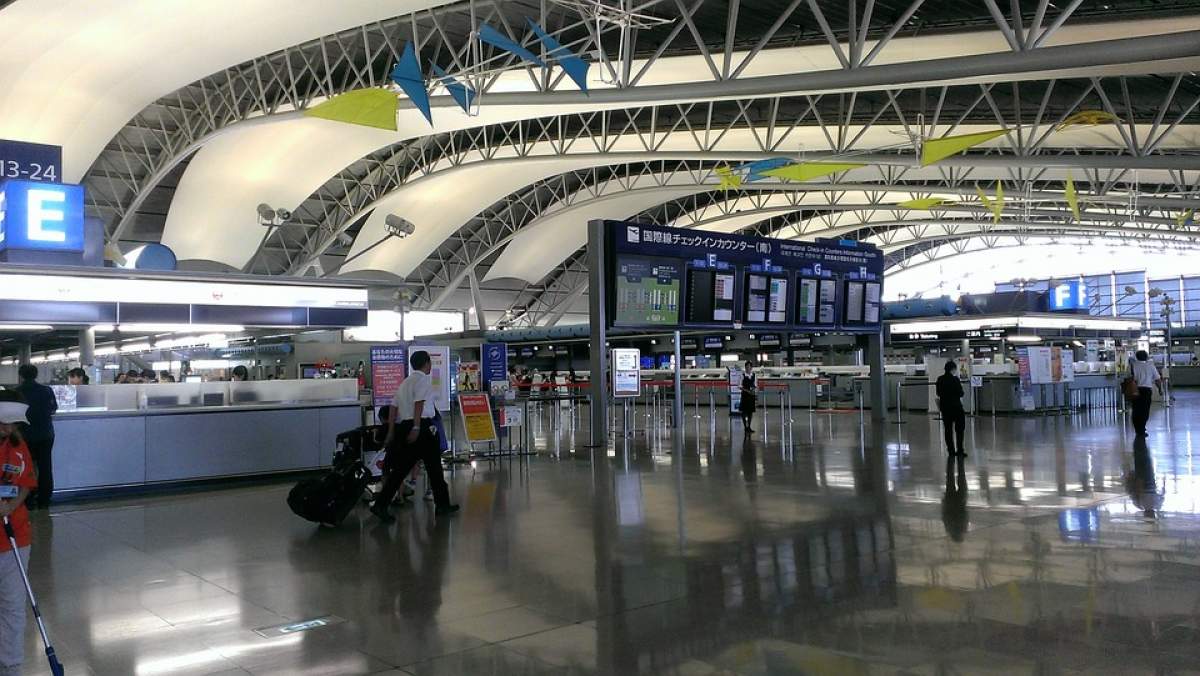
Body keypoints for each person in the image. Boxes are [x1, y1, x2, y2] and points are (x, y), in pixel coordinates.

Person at [370, 351, 458, 521]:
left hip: (404, 427)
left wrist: (390, 431)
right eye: (430, 362)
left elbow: (394, 405)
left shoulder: (406, 382)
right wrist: (417, 427)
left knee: (400, 470)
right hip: (421, 428)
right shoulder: (423, 380)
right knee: (434, 469)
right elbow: (419, 403)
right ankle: (442, 505)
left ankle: (381, 504)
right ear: (427, 363)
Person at [0, 399, 37, 676]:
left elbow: (26, 483)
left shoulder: (17, 446)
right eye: (5, 423)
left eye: (12, 424)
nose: (9, 428)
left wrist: (12, 505)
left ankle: (11, 664)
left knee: (12, 604)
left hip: (15, 537)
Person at [15, 366, 56, 510]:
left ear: (20, 375)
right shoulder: (46, 390)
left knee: (26, 467)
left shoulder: (17, 392)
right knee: (45, 466)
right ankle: (44, 499)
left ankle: (28, 499)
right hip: (46, 434)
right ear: (36, 374)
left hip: (25, 435)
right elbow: (53, 409)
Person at [936, 361, 966, 457]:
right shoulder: (955, 379)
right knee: (959, 430)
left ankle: (951, 451)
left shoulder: (940, 379)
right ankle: (960, 450)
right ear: (952, 369)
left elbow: (938, 393)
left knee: (948, 430)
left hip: (945, 408)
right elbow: (961, 393)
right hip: (957, 407)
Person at [1129, 350, 1163, 438]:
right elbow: (1157, 379)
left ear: (1136, 357)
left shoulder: (1133, 365)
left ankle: (1138, 429)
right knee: (1145, 411)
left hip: (1135, 390)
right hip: (1146, 390)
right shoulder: (1151, 366)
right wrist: (1160, 389)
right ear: (1147, 357)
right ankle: (1142, 429)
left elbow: (1130, 378)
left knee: (1136, 410)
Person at [740, 361, 757, 436]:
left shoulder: (754, 375)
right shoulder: (742, 375)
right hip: (745, 395)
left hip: (751, 395)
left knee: (750, 412)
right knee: (744, 411)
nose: (748, 368)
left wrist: (753, 390)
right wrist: (747, 391)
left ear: (751, 368)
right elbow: (739, 386)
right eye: (747, 367)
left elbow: (755, 384)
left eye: (749, 367)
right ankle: (745, 426)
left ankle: (749, 426)